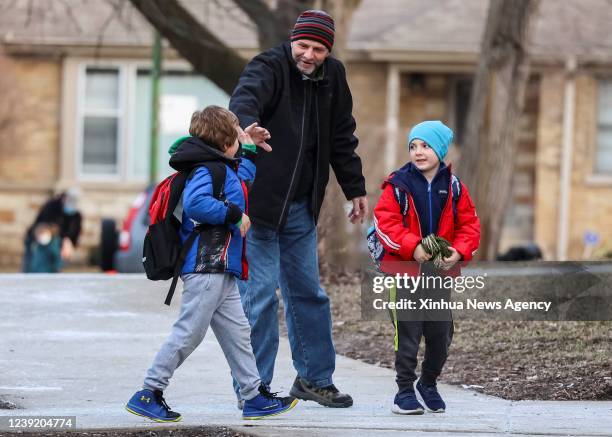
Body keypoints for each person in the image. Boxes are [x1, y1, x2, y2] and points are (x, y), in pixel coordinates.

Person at [229, 9, 367, 408]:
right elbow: (245, 97)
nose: (308, 55)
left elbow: (343, 134)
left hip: (301, 208)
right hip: (257, 208)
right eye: (303, 46)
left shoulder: (333, 77)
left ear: (328, 50)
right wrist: (245, 127)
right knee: (259, 296)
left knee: (309, 293)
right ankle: (255, 390)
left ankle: (314, 379)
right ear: (293, 42)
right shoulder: (269, 66)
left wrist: (354, 187)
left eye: (318, 49)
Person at [125, 106, 297, 422]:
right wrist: (233, 214)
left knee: (238, 333)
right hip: (207, 266)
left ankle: (254, 396)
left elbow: (241, 179)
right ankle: (149, 392)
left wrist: (248, 147)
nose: (241, 137)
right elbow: (196, 203)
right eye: (237, 133)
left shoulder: (223, 168)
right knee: (189, 332)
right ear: (224, 139)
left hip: (222, 269)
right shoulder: (208, 170)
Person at [372, 120, 480, 415]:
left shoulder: (455, 187)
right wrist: (412, 246)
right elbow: (385, 224)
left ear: (441, 150)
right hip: (404, 273)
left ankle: (428, 383)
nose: (418, 152)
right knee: (407, 333)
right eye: (413, 146)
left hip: (438, 275)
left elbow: (470, 226)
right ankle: (404, 391)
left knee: (440, 334)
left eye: (426, 146)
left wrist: (458, 251)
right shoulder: (397, 186)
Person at [23, 188, 82, 272]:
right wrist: (63, 239)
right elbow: (43, 226)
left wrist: (69, 243)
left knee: (54, 267)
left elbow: (75, 233)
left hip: (57, 245)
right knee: (32, 265)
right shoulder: (52, 206)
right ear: (65, 198)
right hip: (40, 240)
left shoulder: (76, 215)